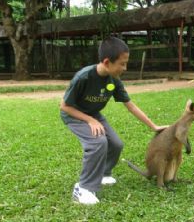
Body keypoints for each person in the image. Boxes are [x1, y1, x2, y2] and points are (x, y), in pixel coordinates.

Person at [60, 36, 167, 205]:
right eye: (122, 64)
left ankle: (103, 173)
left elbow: (130, 106)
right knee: (98, 142)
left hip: (93, 114)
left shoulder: (114, 80)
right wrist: (90, 120)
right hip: (74, 115)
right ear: (107, 62)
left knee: (116, 144)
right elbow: (65, 106)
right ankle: (83, 188)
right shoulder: (83, 77)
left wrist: (153, 126)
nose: (124, 68)